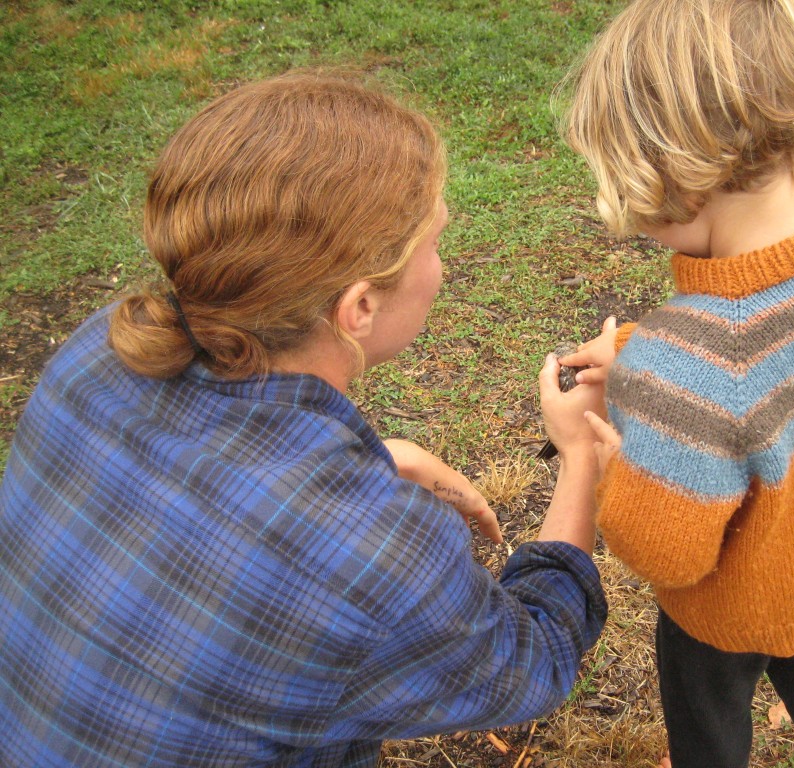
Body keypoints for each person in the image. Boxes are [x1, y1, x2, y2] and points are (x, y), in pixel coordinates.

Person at [0, 71, 608, 767]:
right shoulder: (370, 549)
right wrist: (582, 454)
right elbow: (532, 661)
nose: (441, 267)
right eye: (435, 242)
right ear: (359, 309)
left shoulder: (96, 354)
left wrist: (381, 458)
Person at [558, 1, 794, 766]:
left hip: (721, 613)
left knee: (709, 723)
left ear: (680, 183)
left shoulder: (694, 363)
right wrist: (641, 356)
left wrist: (597, 461)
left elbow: (666, 551)